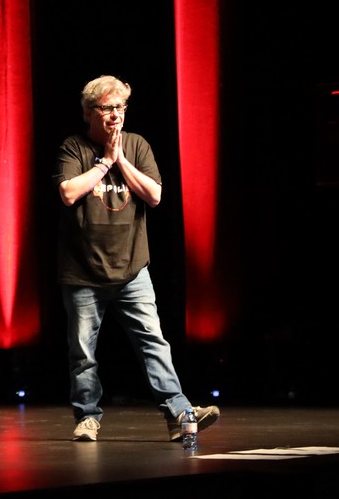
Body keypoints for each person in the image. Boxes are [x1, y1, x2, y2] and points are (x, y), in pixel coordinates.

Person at [52, 74, 219, 443]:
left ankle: (179, 413)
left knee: (154, 343)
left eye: (120, 108)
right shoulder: (73, 147)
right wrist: (102, 164)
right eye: (107, 108)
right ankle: (87, 418)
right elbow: (67, 192)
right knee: (83, 352)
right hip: (83, 272)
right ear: (88, 113)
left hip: (132, 270)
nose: (115, 115)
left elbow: (155, 195)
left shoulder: (137, 145)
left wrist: (120, 160)